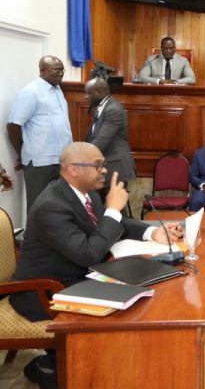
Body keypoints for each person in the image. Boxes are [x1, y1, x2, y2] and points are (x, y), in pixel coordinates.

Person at [9, 142, 181, 388]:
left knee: (144, 292)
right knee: (128, 309)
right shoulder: (51, 206)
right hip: (43, 292)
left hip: (75, 278)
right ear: (73, 169)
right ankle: (62, 367)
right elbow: (89, 254)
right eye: (98, 165)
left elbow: (113, 223)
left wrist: (153, 233)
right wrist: (113, 210)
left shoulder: (86, 193)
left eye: (104, 164)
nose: (104, 170)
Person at [7, 55, 73, 211]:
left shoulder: (58, 90)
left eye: (62, 70)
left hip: (61, 159)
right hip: (39, 162)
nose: (60, 73)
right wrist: (22, 153)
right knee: (38, 207)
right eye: (56, 70)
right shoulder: (31, 92)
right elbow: (13, 126)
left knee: (60, 206)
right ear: (42, 70)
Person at [83, 77, 136, 200]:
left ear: (100, 92)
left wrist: (79, 157)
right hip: (105, 167)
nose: (86, 97)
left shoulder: (113, 109)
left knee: (115, 208)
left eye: (89, 93)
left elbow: (101, 142)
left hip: (114, 167)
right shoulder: (103, 107)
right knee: (101, 207)